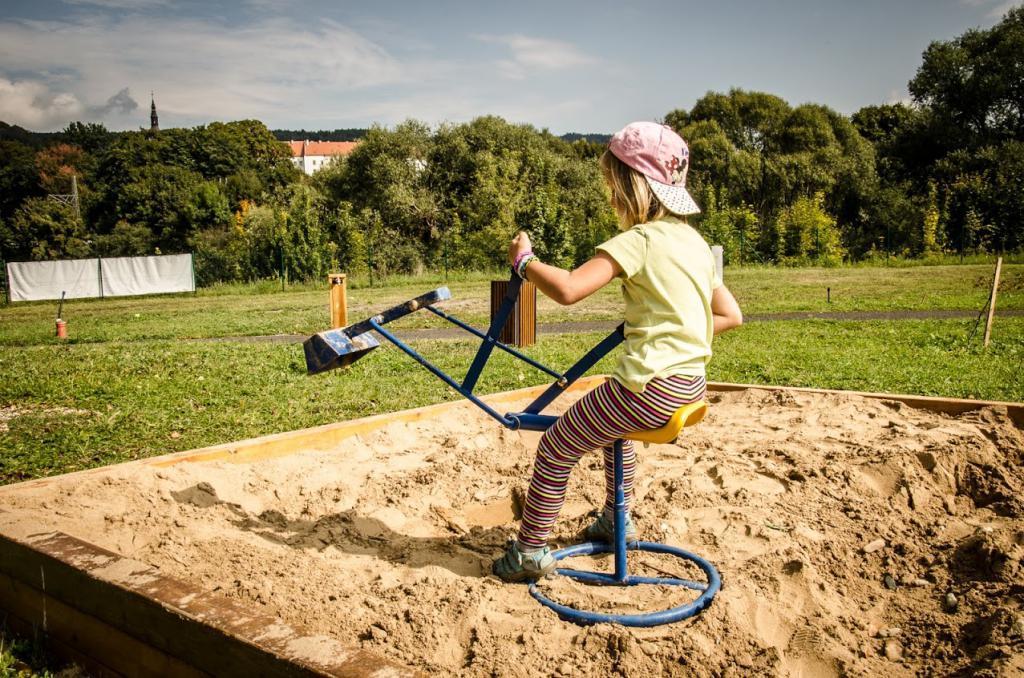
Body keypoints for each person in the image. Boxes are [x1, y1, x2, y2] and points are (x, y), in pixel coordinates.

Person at [492, 121, 743, 582]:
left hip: (646, 391)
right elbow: (730, 315)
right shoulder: (696, 245)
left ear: (633, 187)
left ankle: (529, 551)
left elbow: (568, 289)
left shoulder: (639, 241)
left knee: (555, 445)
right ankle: (616, 520)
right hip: (690, 387)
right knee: (610, 430)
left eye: (612, 187)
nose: (611, 200)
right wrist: (673, 330)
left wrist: (524, 262)